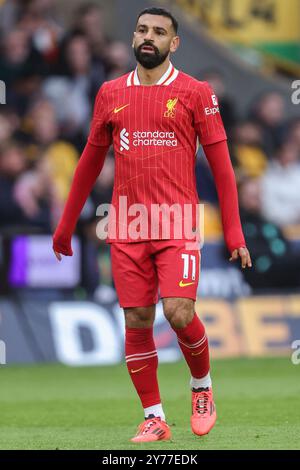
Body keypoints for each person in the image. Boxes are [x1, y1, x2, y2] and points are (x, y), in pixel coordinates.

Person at [53, 7, 251, 443]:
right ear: (133, 38)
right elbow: (89, 163)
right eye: (142, 29)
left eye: (159, 32)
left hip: (178, 222)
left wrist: (234, 232)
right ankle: (154, 417)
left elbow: (222, 169)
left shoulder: (195, 92)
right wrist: (66, 224)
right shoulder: (109, 93)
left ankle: (202, 388)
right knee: (137, 320)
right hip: (126, 225)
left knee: (178, 312)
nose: (148, 37)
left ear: (173, 43)